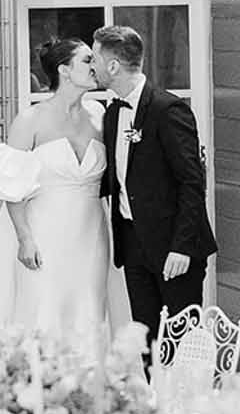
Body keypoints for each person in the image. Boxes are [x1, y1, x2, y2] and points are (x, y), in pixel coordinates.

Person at [0, 37, 129, 347]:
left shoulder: (100, 115)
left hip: (91, 234)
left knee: (88, 310)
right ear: (64, 70)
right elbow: (11, 187)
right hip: (44, 232)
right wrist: (25, 239)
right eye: (87, 60)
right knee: (42, 310)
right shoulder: (30, 119)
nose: (95, 66)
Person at [91, 23, 216, 343]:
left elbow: (192, 182)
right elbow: (116, 180)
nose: (93, 66)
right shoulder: (111, 114)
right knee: (146, 342)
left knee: (181, 341)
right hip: (133, 246)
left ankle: (185, 395)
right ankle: (149, 394)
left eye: (95, 58)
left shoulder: (167, 109)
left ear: (113, 65)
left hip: (174, 247)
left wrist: (182, 247)